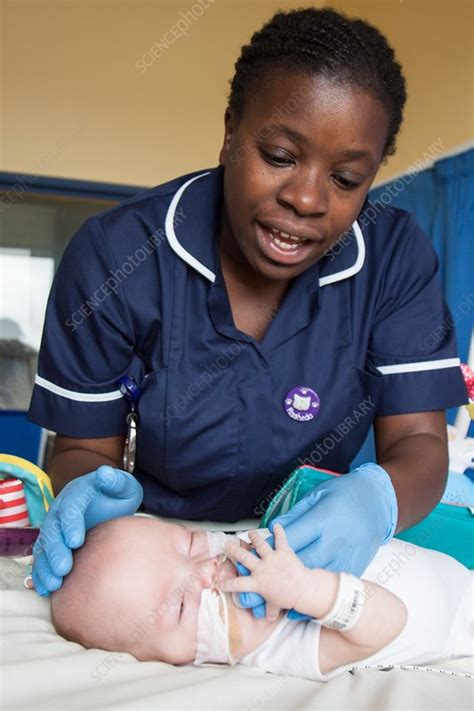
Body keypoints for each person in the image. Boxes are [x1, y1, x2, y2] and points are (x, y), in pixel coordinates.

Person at [28, 7, 468, 608]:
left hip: (300, 556)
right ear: (231, 129)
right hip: (157, 547)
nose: (307, 198)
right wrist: (92, 494)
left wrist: (377, 499)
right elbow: (81, 449)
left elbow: (419, 440)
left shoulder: (393, 259)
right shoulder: (117, 257)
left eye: (345, 179)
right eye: (281, 156)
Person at [47, 515, 473, 682]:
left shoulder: (257, 550)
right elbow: (389, 618)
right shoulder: (278, 649)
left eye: (192, 545)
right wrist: (305, 590)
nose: (206, 572)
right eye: (179, 606)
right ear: (172, 662)